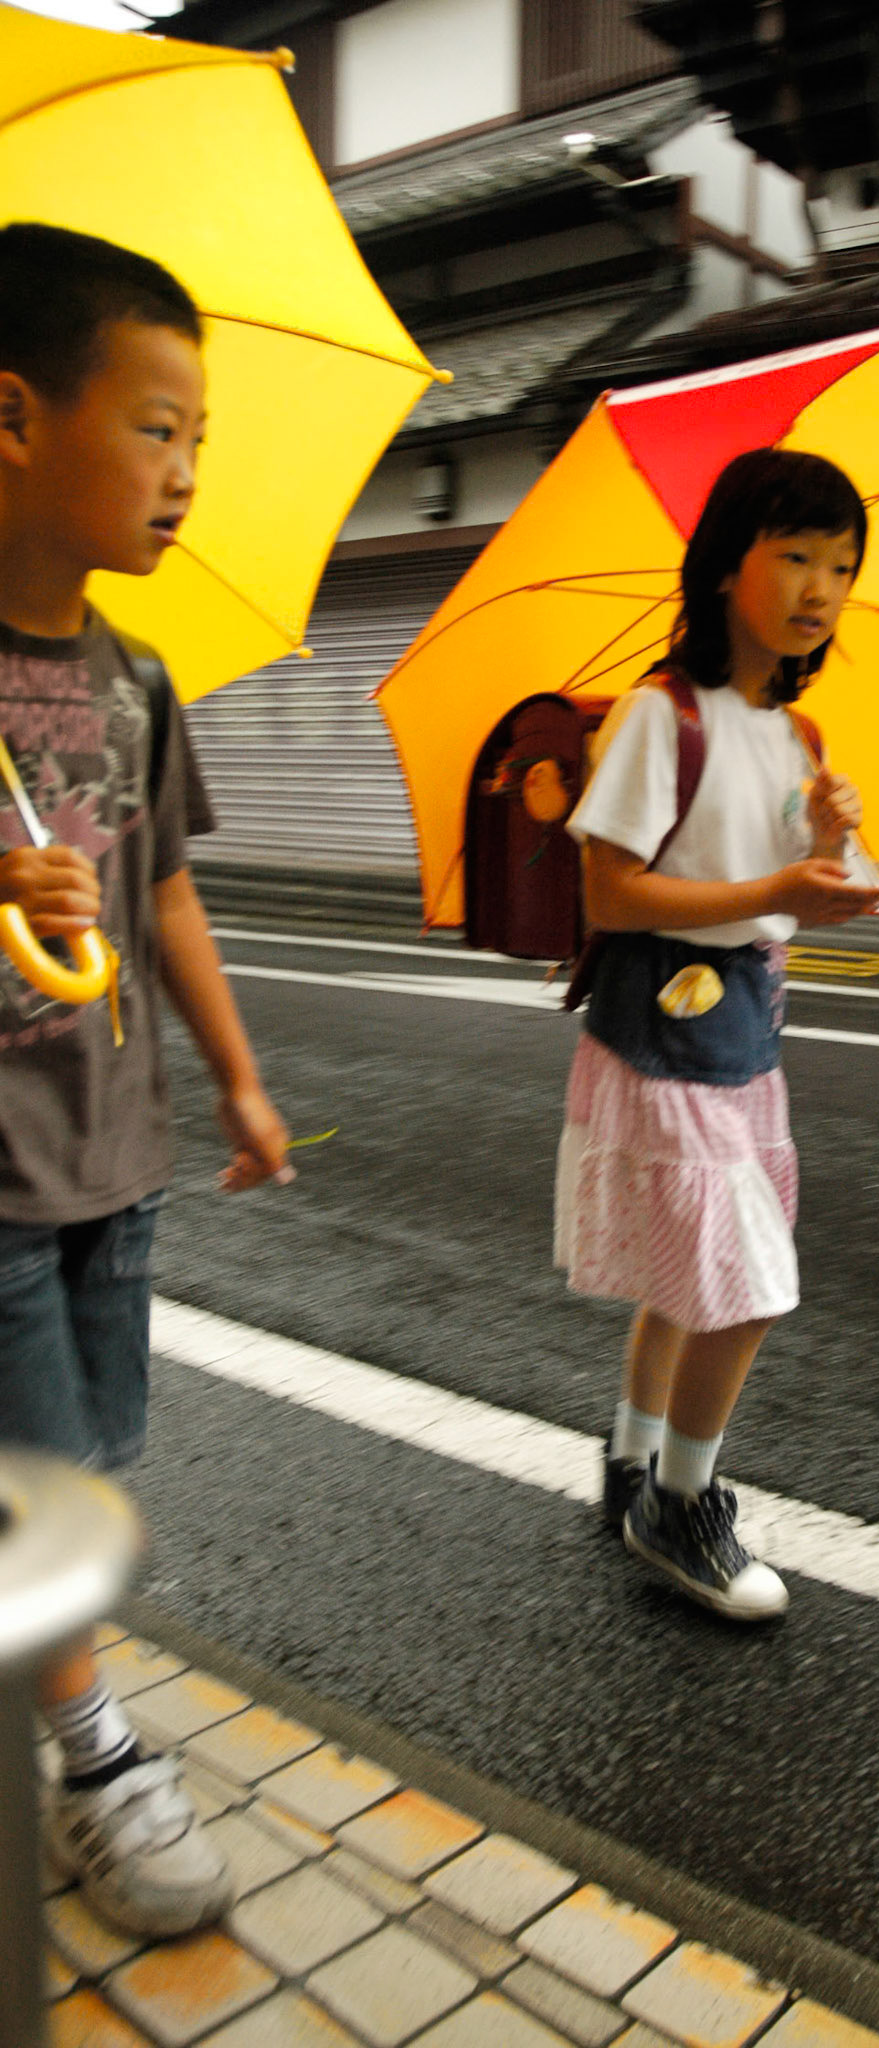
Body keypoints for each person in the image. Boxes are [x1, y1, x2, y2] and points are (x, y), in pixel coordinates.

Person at [0, 223, 293, 1935]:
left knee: (88, 1457)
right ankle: (97, 1762)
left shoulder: (132, 678)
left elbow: (166, 883)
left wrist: (244, 1081)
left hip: (116, 1148)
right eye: (157, 426)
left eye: (201, 441)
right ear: (18, 418)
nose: (187, 474)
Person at [555, 447, 879, 1622]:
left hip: (746, 1029)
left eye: (840, 566)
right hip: (664, 1025)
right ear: (723, 564)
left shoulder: (797, 737)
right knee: (744, 1282)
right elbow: (611, 894)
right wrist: (783, 888)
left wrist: (834, 843)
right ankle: (680, 1503)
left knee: (693, 1278)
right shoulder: (661, 713)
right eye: (793, 554)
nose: (817, 588)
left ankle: (632, 1458)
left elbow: (811, 889)